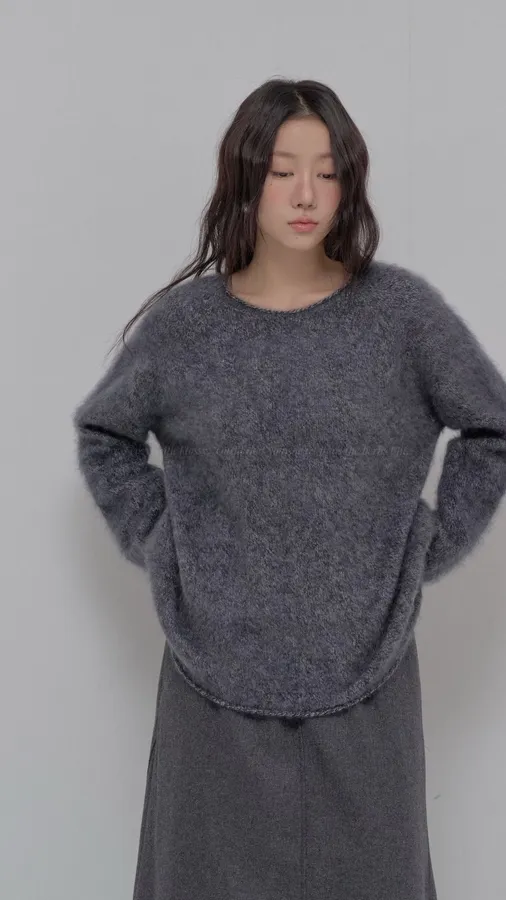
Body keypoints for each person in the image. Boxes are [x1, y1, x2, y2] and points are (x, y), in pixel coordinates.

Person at [72, 78, 506, 900]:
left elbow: (492, 426)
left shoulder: (404, 317)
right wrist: (166, 542)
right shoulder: (186, 329)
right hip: (210, 685)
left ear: (350, 182)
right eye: (281, 171)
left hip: (368, 676)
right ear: (246, 177)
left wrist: (424, 544)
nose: (306, 193)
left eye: (327, 171)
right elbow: (106, 434)